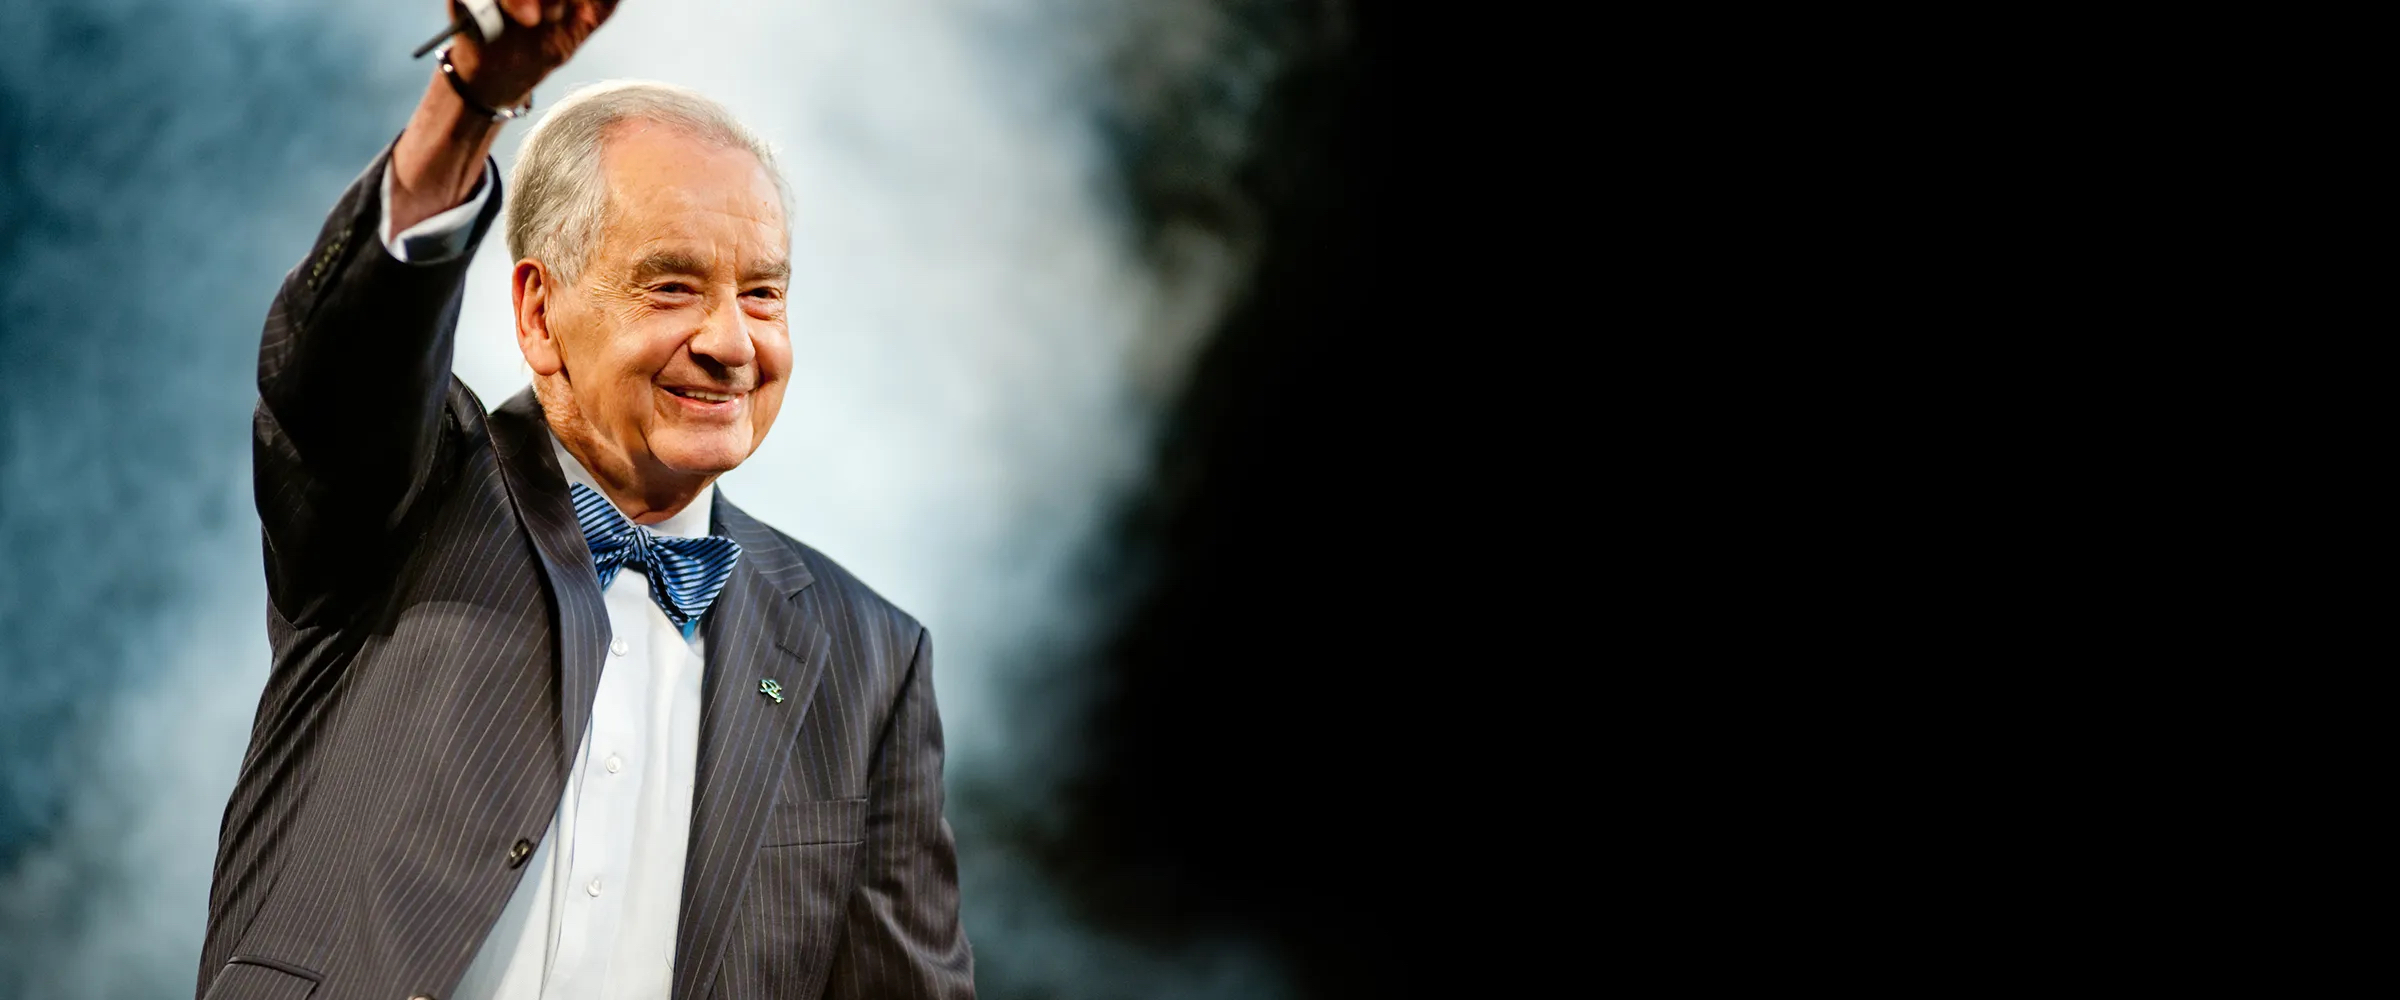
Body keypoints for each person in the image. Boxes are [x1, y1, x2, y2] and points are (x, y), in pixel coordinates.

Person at [195, 3, 972, 997]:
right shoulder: (407, 492)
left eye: (763, 294)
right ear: (539, 312)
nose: (732, 343)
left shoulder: (871, 656)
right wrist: (470, 101)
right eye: (672, 287)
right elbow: (346, 360)